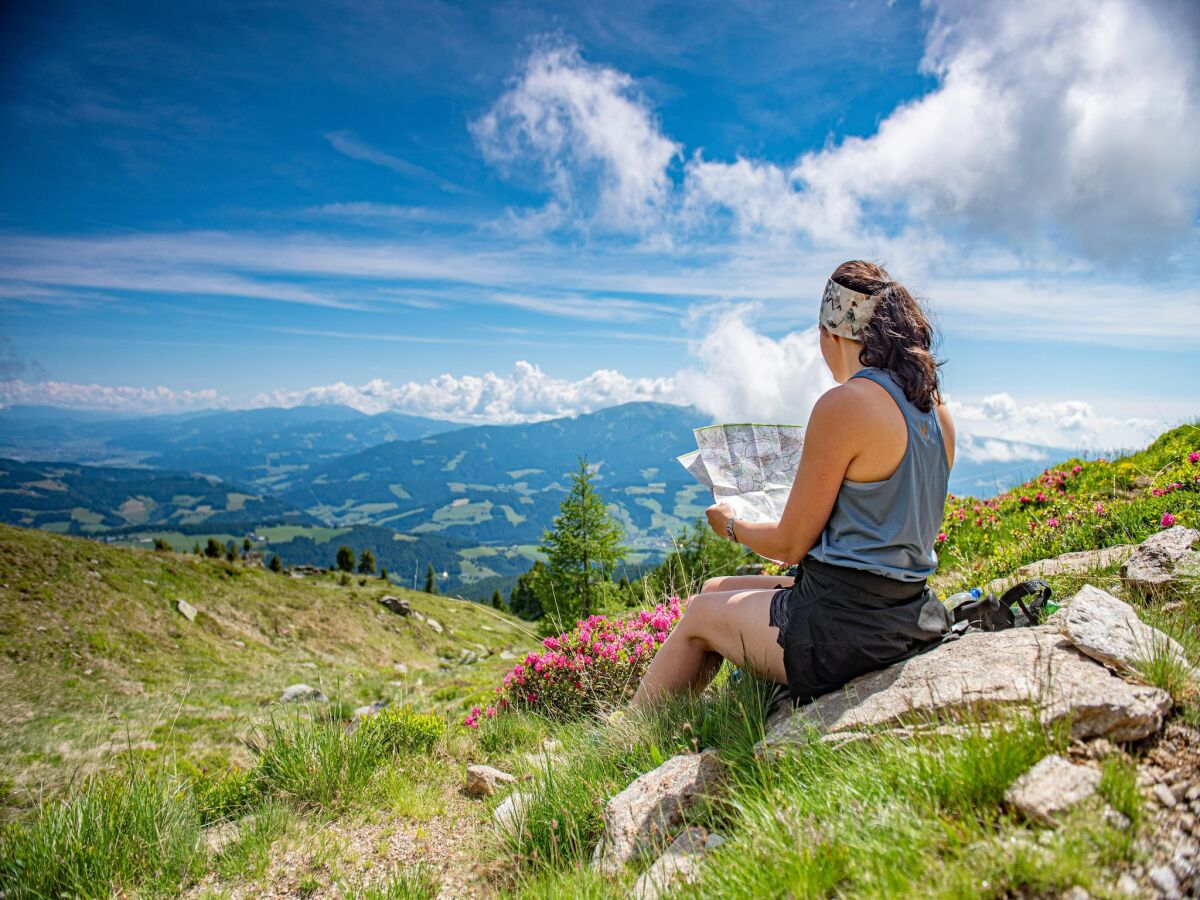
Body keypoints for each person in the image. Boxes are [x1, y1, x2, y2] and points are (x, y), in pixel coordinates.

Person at [631, 260, 955, 709]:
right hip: (908, 609)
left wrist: (731, 524)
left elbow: (789, 545)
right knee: (714, 591)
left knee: (699, 616)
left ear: (831, 334)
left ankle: (627, 738)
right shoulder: (936, 411)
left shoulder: (845, 405)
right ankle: (704, 715)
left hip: (844, 629)